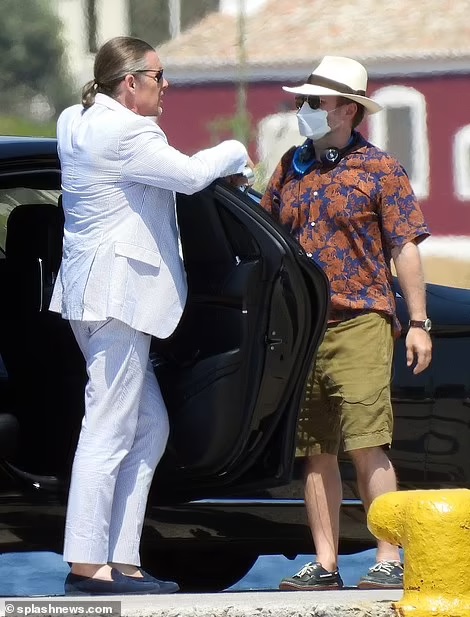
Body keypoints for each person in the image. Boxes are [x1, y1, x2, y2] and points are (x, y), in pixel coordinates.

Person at [49, 35, 251, 596]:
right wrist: (237, 151)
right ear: (130, 81)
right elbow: (188, 176)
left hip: (90, 296)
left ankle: (123, 560)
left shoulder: (73, 120)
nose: (167, 86)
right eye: (159, 76)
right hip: (117, 298)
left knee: (149, 426)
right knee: (108, 427)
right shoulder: (128, 132)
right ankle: (87, 567)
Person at [260, 56, 432, 591]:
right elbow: (266, 235)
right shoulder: (290, 167)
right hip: (305, 329)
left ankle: (389, 558)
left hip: (361, 320)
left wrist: (419, 321)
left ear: (348, 110)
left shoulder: (380, 169)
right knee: (314, 450)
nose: (304, 108)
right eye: (302, 100)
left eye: (315, 101)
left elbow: (404, 246)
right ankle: (326, 563)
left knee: (366, 440)